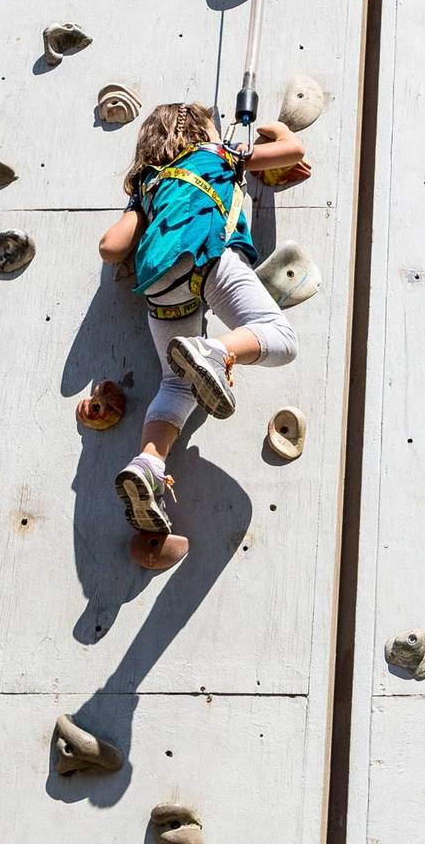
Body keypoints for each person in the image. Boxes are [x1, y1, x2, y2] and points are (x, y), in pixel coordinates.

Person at [96, 102, 306, 562]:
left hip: (159, 289)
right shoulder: (219, 153)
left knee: (175, 382)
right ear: (199, 130)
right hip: (208, 257)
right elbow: (293, 151)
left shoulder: (148, 185)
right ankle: (216, 352)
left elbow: (110, 248)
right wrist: (274, 130)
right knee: (278, 337)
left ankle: (149, 463)